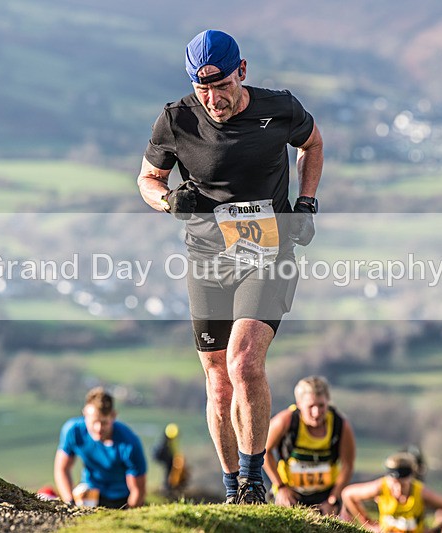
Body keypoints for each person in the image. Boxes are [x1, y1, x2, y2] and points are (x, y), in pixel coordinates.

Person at [137, 29, 324, 505]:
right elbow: (148, 178)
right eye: (203, 89)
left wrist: (305, 204)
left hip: (267, 254)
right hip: (206, 259)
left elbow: (313, 143)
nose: (213, 98)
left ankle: (253, 479)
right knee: (218, 382)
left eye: (221, 86)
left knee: (243, 363)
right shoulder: (176, 119)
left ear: (242, 71)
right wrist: (166, 201)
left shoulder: (279, 109)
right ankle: (232, 489)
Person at [263, 376, 356, 515]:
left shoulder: (340, 425)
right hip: (290, 492)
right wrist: (281, 487)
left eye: (321, 406)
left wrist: (333, 499)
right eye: (310, 406)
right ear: (299, 404)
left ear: (328, 402)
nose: (316, 413)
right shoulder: (285, 421)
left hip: (326, 495)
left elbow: (347, 464)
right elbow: (264, 451)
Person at [53, 387, 147, 509]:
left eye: (104, 422)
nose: (98, 428)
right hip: (90, 492)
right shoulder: (73, 431)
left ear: (113, 416)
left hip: (121, 498)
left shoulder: (129, 443)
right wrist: (69, 502)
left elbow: (138, 491)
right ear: (85, 414)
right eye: (94, 422)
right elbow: (62, 469)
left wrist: (128, 514)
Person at [341, 452, 442, 533]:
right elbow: (347, 494)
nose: (398, 489)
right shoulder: (380, 487)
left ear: (411, 478)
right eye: (393, 484)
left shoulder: (421, 492)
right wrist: (367, 523)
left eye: (403, 485)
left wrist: (435, 530)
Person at [152, 423, 189, 493]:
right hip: (163, 456)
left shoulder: (167, 440)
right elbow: (172, 450)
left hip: (164, 456)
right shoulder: (165, 444)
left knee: (169, 469)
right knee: (168, 469)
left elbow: (174, 450)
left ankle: (168, 486)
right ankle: (167, 487)